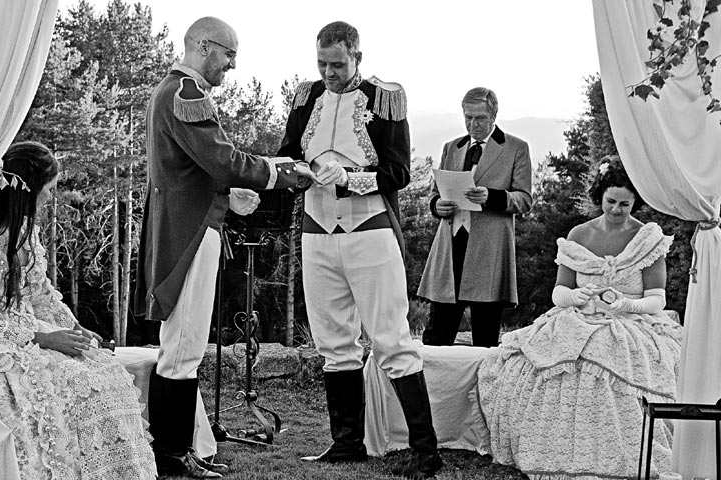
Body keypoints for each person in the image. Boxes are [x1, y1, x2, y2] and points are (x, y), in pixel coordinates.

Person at [132, 16, 315, 479]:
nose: (233, 64)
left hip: (184, 225)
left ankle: (176, 451)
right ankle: (172, 457)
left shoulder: (169, 92)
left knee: (181, 344)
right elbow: (222, 159)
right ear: (203, 46)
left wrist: (225, 196)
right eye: (229, 54)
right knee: (184, 347)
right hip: (190, 234)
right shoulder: (187, 94)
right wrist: (279, 173)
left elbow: (189, 172)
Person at [277, 21, 443, 479]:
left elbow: (399, 172)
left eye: (337, 64)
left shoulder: (384, 97)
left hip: (369, 230)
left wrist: (350, 179)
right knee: (333, 341)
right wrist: (302, 171)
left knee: (391, 338)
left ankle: (426, 452)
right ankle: (345, 442)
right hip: (315, 231)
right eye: (321, 64)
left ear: (357, 58)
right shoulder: (304, 97)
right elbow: (287, 152)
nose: (328, 73)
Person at [0, 141, 157, 480]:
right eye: (49, 189)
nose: (51, 198)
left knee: (103, 373)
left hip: (31, 332)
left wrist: (74, 329)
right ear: (26, 188)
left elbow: (42, 296)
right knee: (38, 394)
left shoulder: (27, 232)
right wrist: (45, 337)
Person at [476, 156, 682, 478]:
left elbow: (657, 299)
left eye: (625, 204)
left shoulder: (648, 239)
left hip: (632, 324)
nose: (616, 210)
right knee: (542, 363)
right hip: (577, 318)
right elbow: (559, 292)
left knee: (605, 354)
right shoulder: (578, 235)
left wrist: (626, 305)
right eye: (610, 201)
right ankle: (558, 452)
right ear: (599, 197)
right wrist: (575, 297)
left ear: (635, 203)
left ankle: (617, 456)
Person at [417, 88, 532, 347]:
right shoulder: (452, 147)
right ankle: (435, 386)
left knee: (485, 337)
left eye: (479, 118)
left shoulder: (516, 148)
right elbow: (434, 194)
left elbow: (525, 200)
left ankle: (485, 388)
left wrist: (491, 197)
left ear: (494, 115)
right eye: (468, 118)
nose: (473, 124)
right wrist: (437, 206)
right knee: (437, 334)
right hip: (449, 246)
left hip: (489, 250)